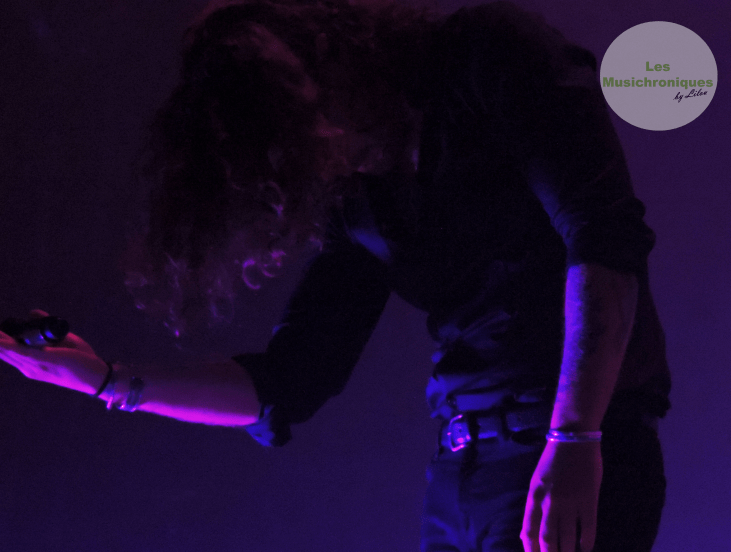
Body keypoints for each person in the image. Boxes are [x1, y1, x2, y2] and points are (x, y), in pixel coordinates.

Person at [0, 1, 670, 551]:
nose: (319, 152)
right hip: (461, 475)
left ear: (322, 66)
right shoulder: (361, 200)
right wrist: (108, 380)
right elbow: (287, 381)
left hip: (568, 448)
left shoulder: (487, 56)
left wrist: (575, 436)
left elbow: (603, 238)